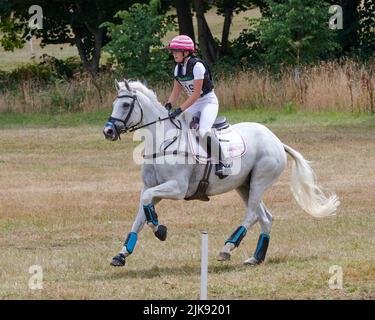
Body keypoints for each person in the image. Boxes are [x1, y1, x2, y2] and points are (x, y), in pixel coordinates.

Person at [165, 34, 231, 176]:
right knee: (177, 125)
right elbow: (175, 92)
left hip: (208, 102)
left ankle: (224, 162)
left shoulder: (197, 66)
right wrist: (168, 106)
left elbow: (195, 94)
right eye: (173, 51)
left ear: (186, 52)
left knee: (203, 131)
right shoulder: (178, 69)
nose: (173, 54)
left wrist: (179, 109)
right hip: (194, 103)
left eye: (176, 51)